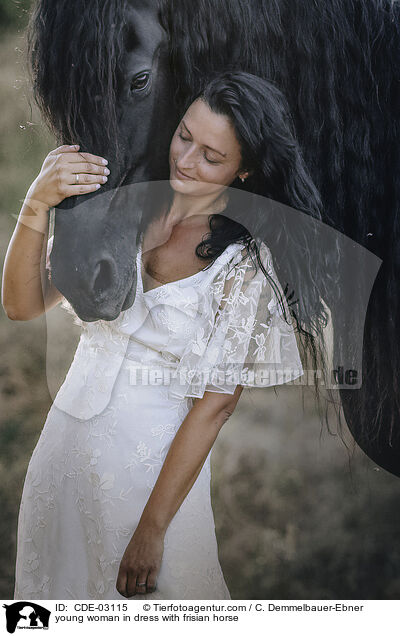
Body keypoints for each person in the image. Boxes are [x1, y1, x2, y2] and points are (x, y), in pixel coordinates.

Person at [3, 72, 318, 600]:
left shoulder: (244, 266)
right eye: (184, 135)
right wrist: (35, 206)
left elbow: (214, 407)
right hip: (63, 454)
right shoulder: (124, 206)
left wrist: (152, 531)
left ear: (245, 172)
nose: (186, 160)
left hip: (149, 474)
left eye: (211, 157)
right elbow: (21, 304)